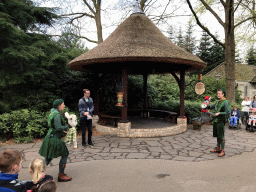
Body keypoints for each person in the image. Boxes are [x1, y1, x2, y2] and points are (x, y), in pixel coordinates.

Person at [39, 99, 72, 182]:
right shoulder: (57, 114)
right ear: (59, 105)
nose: (64, 106)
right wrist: (68, 126)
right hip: (54, 139)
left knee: (49, 157)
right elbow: (58, 127)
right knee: (65, 154)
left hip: (50, 137)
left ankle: (38, 173)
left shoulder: (52, 112)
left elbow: (53, 127)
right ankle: (61, 175)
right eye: (63, 104)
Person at [209, 89, 231, 157]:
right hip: (216, 121)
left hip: (221, 121)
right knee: (218, 135)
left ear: (223, 94)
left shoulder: (225, 102)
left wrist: (220, 113)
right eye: (217, 93)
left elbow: (228, 112)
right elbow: (210, 107)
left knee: (221, 136)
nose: (218, 95)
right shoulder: (217, 102)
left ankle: (222, 150)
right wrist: (207, 104)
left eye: (219, 93)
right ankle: (218, 148)